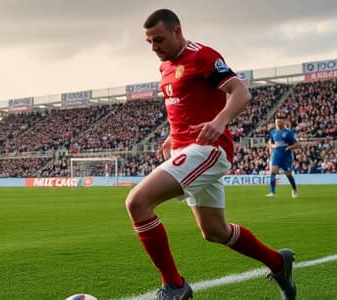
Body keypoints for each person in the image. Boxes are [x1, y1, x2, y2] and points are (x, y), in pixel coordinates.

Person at [124, 9, 295, 300]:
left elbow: (240, 91)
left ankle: (175, 286)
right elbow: (183, 106)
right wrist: (171, 137)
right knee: (214, 231)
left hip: (208, 150)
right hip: (186, 148)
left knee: (138, 203)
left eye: (159, 39)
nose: (154, 48)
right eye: (149, 42)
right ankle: (279, 263)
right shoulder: (165, 67)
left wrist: (219, 121)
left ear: (177, 30)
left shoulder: (201, 55)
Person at [266, 114, 299, 198]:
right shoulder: (273, 132)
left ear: (284, 122)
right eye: (277, 121)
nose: (278, 123)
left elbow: (297, 144)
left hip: (286, 155)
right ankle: (272, 192)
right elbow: (270, 142)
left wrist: (290, 147)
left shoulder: (288, 132)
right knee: (273, 171)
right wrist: (273, 146)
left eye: (280, 121)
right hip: (276, 154)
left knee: (288, 174)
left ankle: (294, 189)